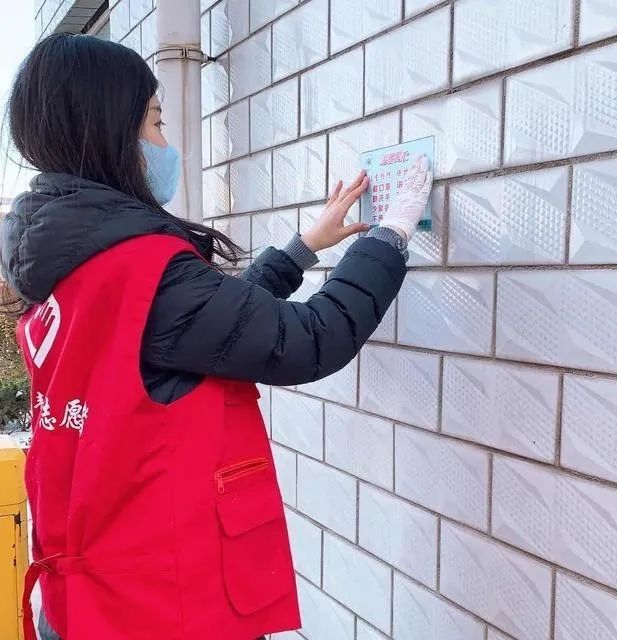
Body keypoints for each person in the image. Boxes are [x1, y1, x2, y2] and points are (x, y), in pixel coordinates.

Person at [0, 33, 432, 640]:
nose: (164, 143)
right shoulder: (138, 266)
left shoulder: (63, 261)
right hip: (163, 607)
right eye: (154, 121)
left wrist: (303, 248)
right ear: (107, 133)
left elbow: (196, 326)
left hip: (90, 600)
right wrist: (389, 237)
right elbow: (309, 339)